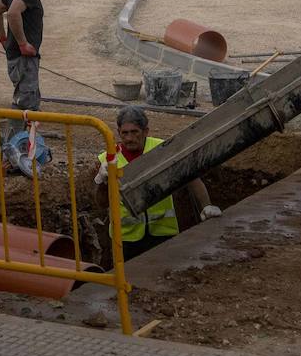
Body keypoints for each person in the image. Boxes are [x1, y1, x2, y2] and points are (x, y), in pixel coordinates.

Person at [94, 107, 221, 260]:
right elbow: (101, 203)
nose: (129, 138)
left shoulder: (162, 150)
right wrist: (101, 181)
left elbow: (191, 177)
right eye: (124, 133)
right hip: (125, 239)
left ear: (146, 131)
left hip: (162, 233)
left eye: (135, 132)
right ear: (118, 132)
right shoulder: (108, 159)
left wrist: (206, 205)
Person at [0, 0, 51, 137]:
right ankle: (17, 148)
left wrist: (4, 39)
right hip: (24, 59)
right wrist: (22, 43)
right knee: (27, 103)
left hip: (19, 58)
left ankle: (16, 145)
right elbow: (13, 13)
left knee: (23, 100)